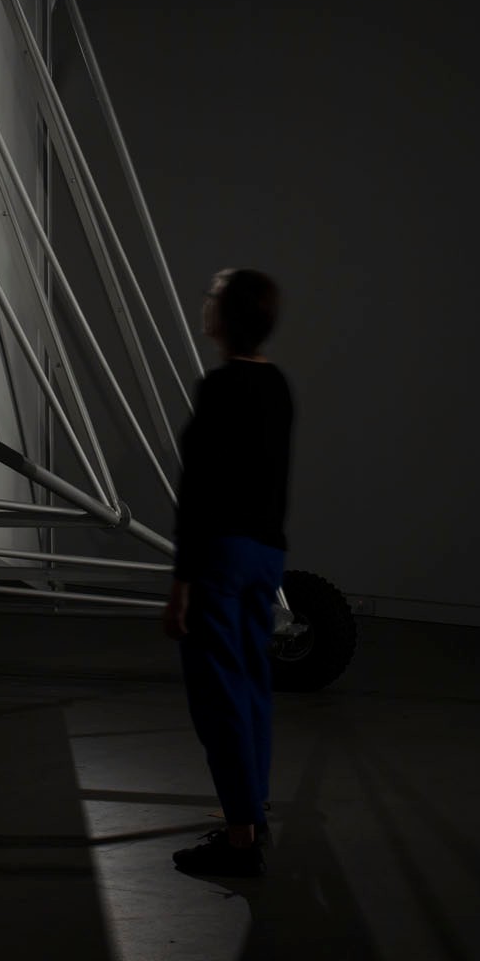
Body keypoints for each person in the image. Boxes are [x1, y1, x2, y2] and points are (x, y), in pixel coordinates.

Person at [164, 267, 294, 879]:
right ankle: (253, 813)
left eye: (212, 295)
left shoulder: (219, 389)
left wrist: (181, 581)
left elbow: (199, 492)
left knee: (217, 698)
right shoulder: (278, 388)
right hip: (265, 554)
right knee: (250, 687)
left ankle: (240, 840)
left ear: (229, 315)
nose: (205, 302)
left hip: (219, 557)